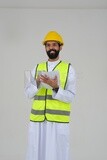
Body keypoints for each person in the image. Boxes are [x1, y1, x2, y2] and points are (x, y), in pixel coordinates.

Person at [25, 31, 76, 160]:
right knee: (36, 154)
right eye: (48, 45)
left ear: (60, 47)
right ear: (45, 47)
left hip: (58, 122)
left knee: (57, 155)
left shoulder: (69, 69)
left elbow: (71, 96)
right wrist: (36, 82)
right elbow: (27, 93)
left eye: (54, 45)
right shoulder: (36, 68)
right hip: (38, 122)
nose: (51, 47)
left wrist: (55, 87)